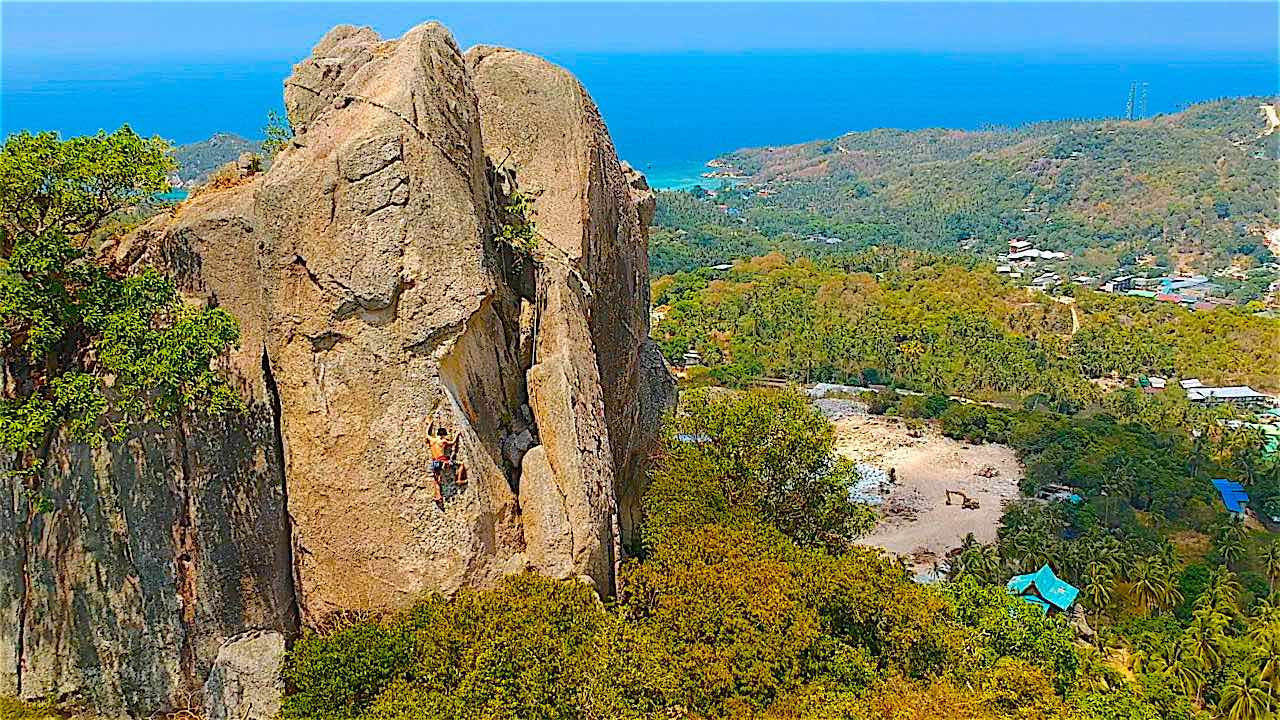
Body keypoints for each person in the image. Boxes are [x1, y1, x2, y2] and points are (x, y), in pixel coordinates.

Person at [426, 419, 467, 504]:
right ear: (443, 435)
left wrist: (429, 424)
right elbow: (452, 443)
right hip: (442, 461)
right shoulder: (443, 441)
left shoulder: (432, 440)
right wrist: (457, 435)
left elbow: (426, 434)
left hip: (434, 463)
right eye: (445, 435)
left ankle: (439, 496)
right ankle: (459, 480)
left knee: (436, 480)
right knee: (460, 464)